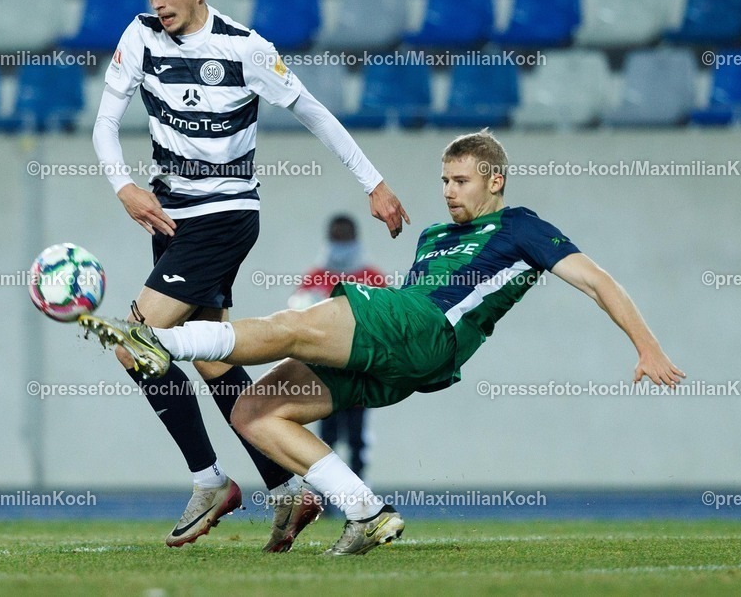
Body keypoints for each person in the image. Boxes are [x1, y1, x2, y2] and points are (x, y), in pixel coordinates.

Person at [80, 129, 686, 555]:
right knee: (254, 410)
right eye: (445, 180)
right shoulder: (432, 235)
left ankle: (159, 337)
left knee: (294, 325)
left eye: (462, 180)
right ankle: (366, 512)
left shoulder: (520, 226)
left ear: (495, 180)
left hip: (426, 329)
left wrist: (647, 346)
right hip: (404, 357)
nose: (449, 191)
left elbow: (597, 280)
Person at [90, 0, 410, 551]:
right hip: (170, 216)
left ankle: (211, 480)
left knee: (134, 344)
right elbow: (106, 122)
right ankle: (287, 487)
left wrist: (374, 184)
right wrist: (125, 185)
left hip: (226, 214)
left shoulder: (245, 48)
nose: (158, 2)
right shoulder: (139, 36)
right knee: (213, 359)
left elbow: (314, 110)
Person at [288, 214, 385, 481]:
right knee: (325, 439)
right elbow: (296, 324)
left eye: (345, 238)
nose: (341, 243)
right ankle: (327, 497)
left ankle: (360, 493)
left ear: (356, 239)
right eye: (336, 238)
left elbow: (386, 328)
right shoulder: (313, 279)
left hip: (359, 378)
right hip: (324, 378)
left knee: (357, 440)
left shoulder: (373, 279)